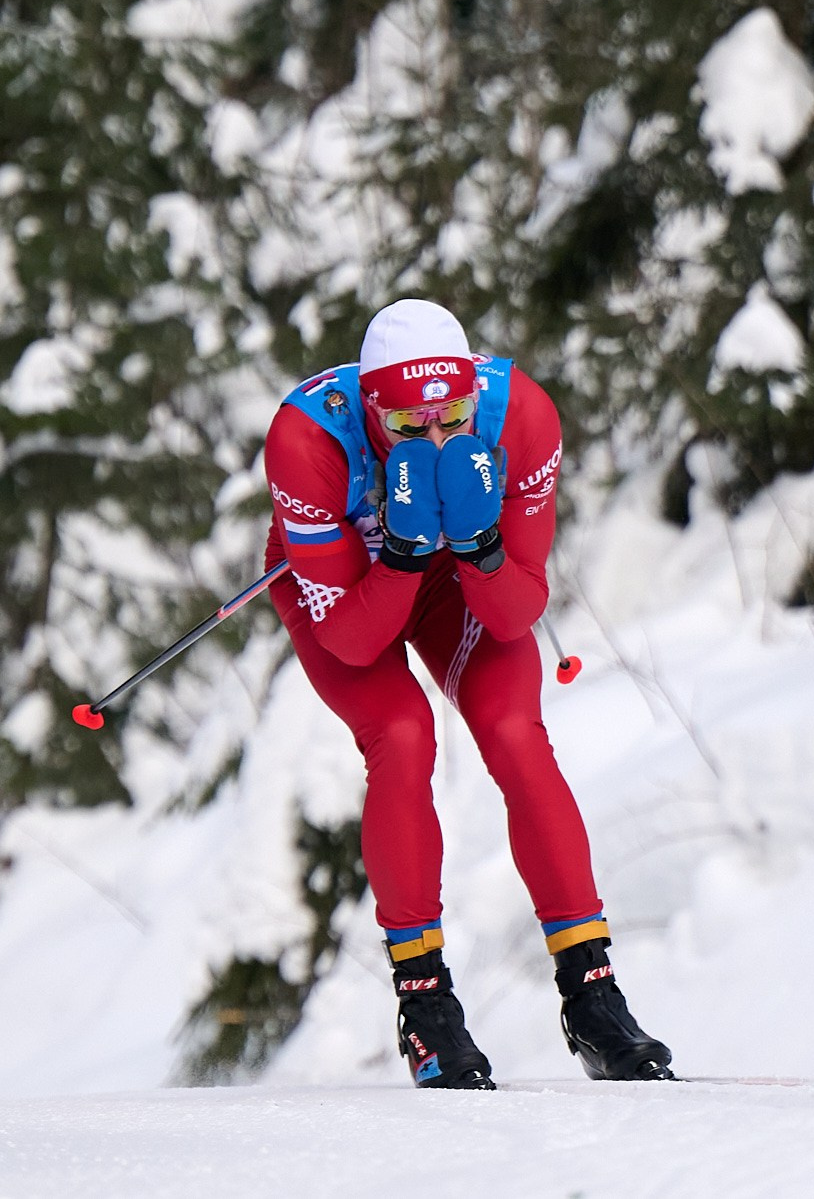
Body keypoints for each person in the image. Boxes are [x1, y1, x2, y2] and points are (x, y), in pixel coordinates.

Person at [263, 298, 672, 1088]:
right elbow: (351, 638)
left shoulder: (518, 414)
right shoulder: (309, 438)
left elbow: (518, 608)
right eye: (409, 424)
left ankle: (593, 996)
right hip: (355, 588)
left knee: (516, 733)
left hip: (458, 581)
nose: (436, 436)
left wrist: (480, 548)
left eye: (450, 414)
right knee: (403, 734)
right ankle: (426, 1010)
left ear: (470, 393)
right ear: (370, 406)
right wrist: (407, 550)